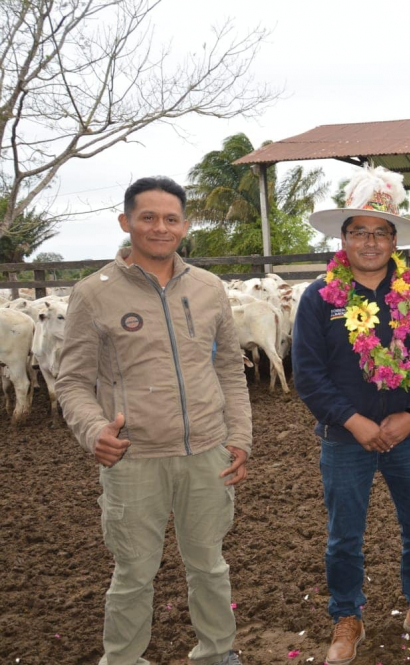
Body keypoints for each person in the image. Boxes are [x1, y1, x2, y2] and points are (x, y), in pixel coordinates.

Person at [56, 176, 252, 665]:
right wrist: (93, 430)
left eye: (170, 219)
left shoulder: (208, 288)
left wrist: (241, 437)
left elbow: (229, 368)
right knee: (134, 571)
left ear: (184, 225)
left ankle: (217, 652)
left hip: (207, 452)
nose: (159, 227)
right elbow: (72, 382)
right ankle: (122, 658)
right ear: (126, 223)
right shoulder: (92, 294)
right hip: (133, 459)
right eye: (148, 217)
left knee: (209, 564)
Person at [292, 165, 410, 665]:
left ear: (394, 239)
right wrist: (353, 420)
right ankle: (347, 617)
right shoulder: (319, 299)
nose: (369, 242)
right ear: (342, 239)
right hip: (345, 439)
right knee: (345, 534)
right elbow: (308, 373)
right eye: (358, 232)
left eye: (379, 232)